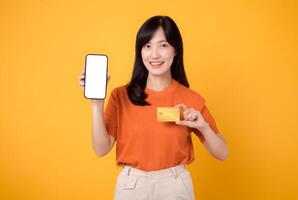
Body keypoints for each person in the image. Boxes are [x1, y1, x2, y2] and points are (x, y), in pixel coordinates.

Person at [79, 15, 228, 200]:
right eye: (147, 46)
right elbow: (101, 149)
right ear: (140, 51)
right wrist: (96, 104)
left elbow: (222, 153)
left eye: (163, 45)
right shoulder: (120, 96)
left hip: (175, 186)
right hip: (132, 187)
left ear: (175, 50)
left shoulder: (190, 98)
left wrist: (203, 126)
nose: (154, 54)